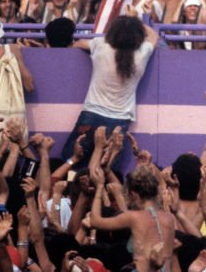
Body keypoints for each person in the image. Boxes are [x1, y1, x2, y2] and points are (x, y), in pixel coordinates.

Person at [64, 15, 157, 170]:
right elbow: (154, 35)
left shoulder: (101, 45)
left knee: (72, 162)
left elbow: (78, 44)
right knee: (107, 169)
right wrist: (136, 18)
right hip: (120, 120)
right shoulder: (143, 52)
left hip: (91, 115)